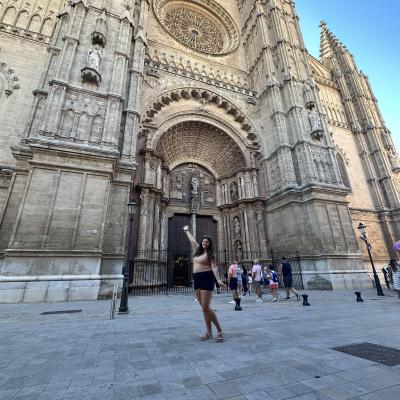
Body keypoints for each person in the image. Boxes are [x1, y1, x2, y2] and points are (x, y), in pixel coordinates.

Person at [183, 226, 225, 340]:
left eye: (207, 242)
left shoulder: (211, 254)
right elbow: (192, 240)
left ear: (209, 244)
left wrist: (219, 280)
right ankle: (208, 332)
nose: (204, 243)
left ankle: (220, 331)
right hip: (197, 278)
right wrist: (187, 231)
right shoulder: (197, 250)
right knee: (204, 308)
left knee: (206, 307)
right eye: (203, 241)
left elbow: (214, 267)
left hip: (207, 277)